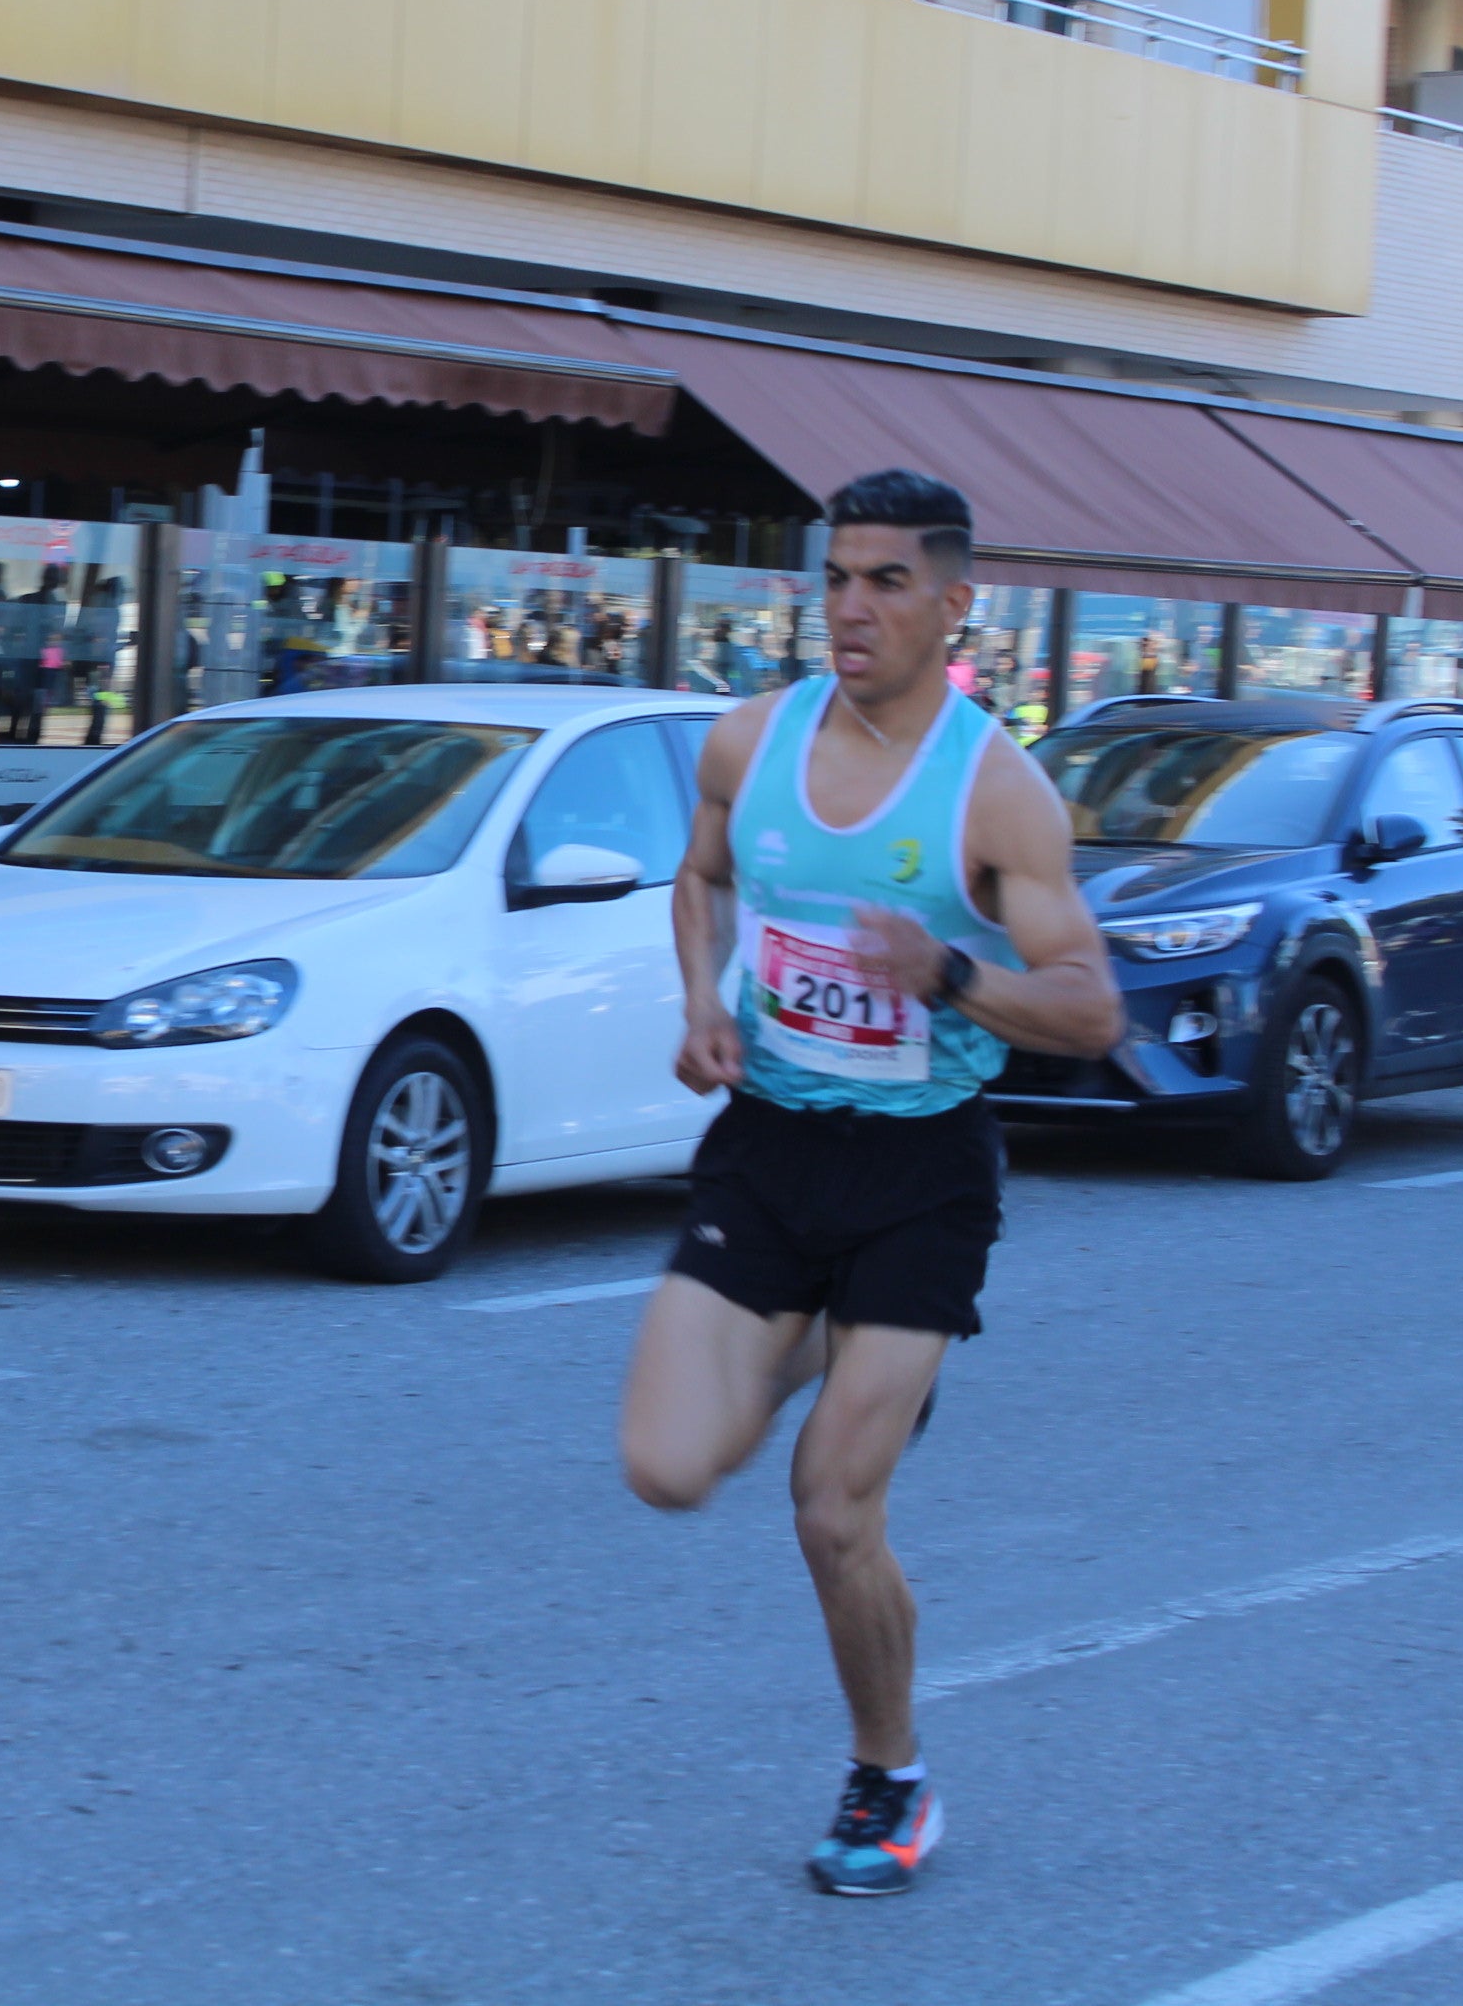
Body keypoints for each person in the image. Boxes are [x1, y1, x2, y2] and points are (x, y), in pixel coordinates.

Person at [618, 468, 1120, 1898]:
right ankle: (833, 1334)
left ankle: (888, 1778)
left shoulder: (998, 792)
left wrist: (952, 973)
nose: (850, 606)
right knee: (665, 1468)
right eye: (836, 577)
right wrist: (705, 999)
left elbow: (1093, 1012)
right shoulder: (747, 740)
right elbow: (700, 876)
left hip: (919, 1170)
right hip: (769, 1144)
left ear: (955, 605)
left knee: (833, 1504)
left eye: (887, 582)